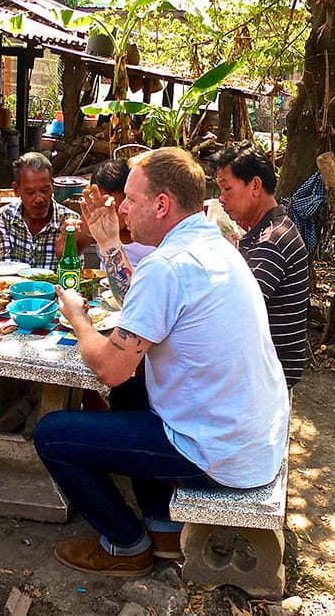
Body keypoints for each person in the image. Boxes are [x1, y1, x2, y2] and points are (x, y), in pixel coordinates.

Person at [34, 147, 289, 576]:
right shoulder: (212, 242)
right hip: (252, 435)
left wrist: (78, 318)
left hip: (220, 454)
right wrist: (109, 241)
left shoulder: (168, 266)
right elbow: (141, 301)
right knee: (133, 389)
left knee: (52, 434)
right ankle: (163, 526)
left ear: (162, 204)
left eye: (130, 200)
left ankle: (125, 544)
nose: (123, 210)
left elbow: (109, 367)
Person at [211, 141, 310, 388]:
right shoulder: (272, 227)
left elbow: (236, 310)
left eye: (227, 189)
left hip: (265, 377)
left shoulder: (271, 241)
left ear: (255, 186)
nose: (221, 200)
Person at [0, 152, 92, 268]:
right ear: (16, 190)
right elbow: (4, 267)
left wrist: (66, 238)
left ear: (53, 185)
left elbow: (73, 272)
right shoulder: (6, 216)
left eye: (45, 190)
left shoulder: (70, 222)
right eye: (30, 192)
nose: (39, 199)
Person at [90, 158, 154, 271]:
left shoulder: (152, 232)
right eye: (102, 207)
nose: (108, 216)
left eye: (114, 207)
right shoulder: (96, 218)